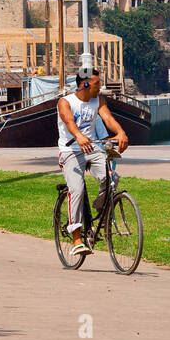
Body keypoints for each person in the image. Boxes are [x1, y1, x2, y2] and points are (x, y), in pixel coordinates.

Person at [56, 67, 129, 258]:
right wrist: (79, 136)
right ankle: (77, 239)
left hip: (92, 149)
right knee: (77, 190)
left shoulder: (98, 100)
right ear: (85, 84)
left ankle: (100, 206)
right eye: (97, 83)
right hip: (70, 151)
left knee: (112, 179)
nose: (101, 86)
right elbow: (69, 122)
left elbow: (108, 118)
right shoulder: (66, 102)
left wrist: (120, 132)